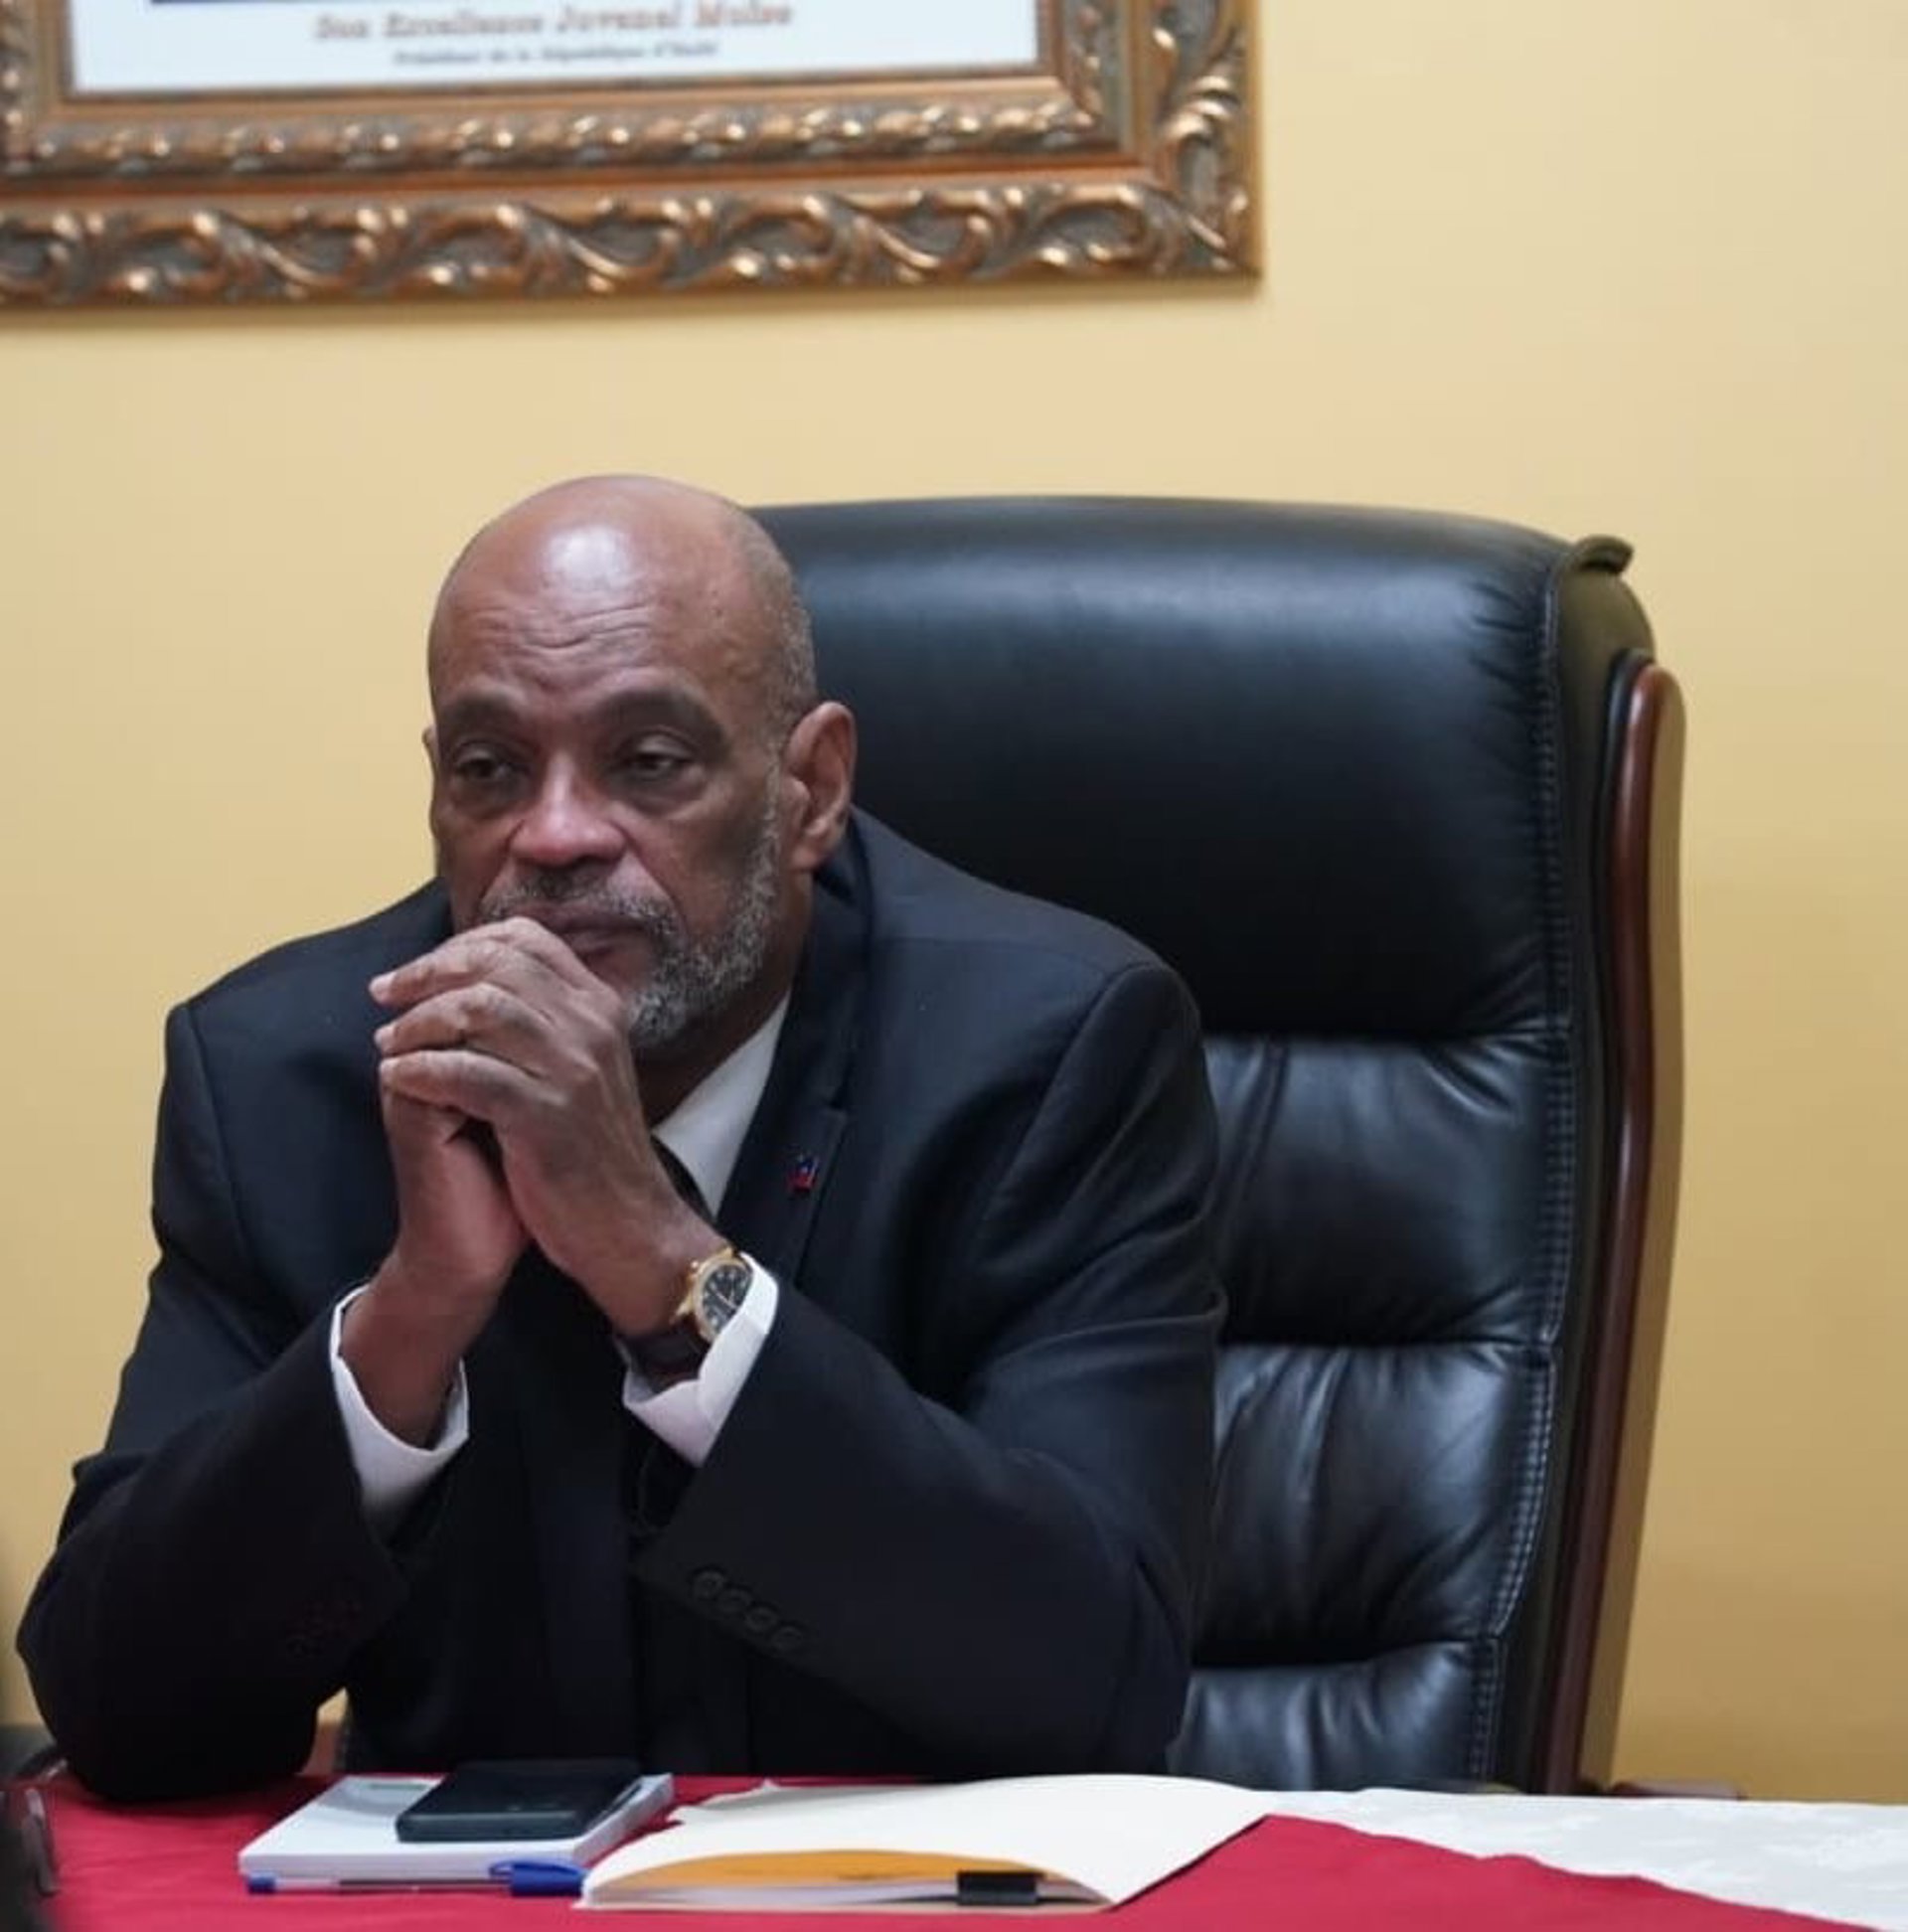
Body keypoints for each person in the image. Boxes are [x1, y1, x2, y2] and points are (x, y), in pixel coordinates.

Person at [18, 477, 1221, 1803]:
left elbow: (1094, 1684)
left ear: (812, 790)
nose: (554, 836)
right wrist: (410, 1320)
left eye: (648, 762)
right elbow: (117, 1717)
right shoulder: (285, 1077)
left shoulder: (1047, 1058)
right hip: (458, 1894)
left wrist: (664, 1268)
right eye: (491, 768)